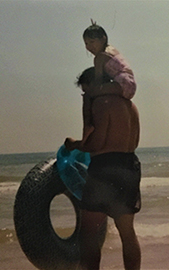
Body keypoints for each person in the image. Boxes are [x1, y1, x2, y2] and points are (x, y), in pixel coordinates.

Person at [65, 67, 141, 270]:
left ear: (96, 87)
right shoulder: (130, 105)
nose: (86, 96)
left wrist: (75, 144)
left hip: (105, 169)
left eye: (86, 91)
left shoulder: (101, 104)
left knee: (88, 232)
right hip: (129, 166)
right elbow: (134, 142)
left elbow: (96, 145)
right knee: (127, 233)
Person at [81, 21, 137, 143]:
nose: (89, 46)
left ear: (103, 39)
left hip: (121, 83)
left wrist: (95, 91)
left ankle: (88, 127)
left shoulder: (99, 57)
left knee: (89, 95)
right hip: (130, 82)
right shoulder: (112, 49)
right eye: (86, 43)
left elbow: (98, 79)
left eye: (92, 42)